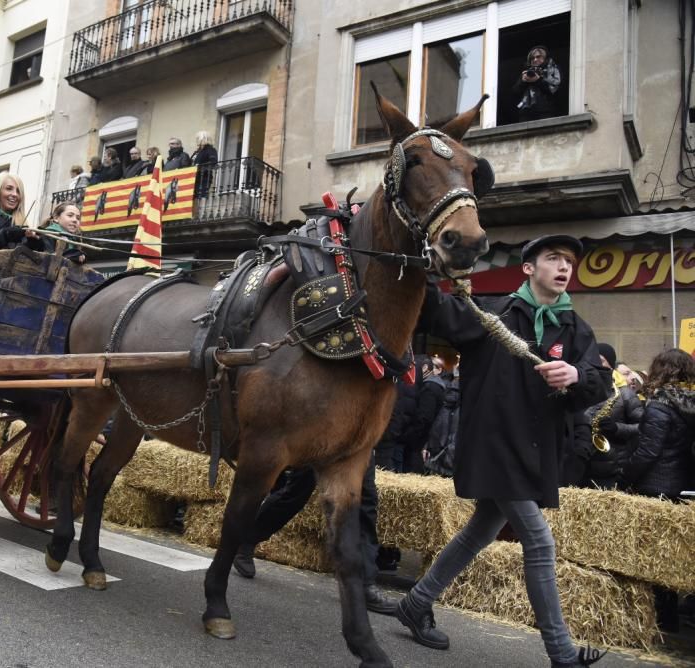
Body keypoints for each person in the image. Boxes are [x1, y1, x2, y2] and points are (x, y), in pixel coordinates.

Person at [395, 234, 611, 668]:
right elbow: (432, 309)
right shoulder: (492, 312)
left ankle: (417, 602)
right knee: (538, 541)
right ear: (529, 268)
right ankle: (561, 652)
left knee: (481, 531)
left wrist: (574, 374)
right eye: (553, 258)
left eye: (569, 261)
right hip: (494, 447)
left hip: (534, 452)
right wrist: (423, 261)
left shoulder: (574, 328)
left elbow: (598, 381)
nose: (564, 267)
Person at [231, 455, 397, 615]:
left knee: (364, 499)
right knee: (296, 493)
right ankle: (246, 539)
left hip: (359, 434)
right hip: (322, 432)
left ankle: (363, 584)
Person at [621, 348, 695, 633]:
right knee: (669, 556)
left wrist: (626, 476)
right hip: (679, 485)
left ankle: (657, 619)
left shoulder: (659, 405)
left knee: (650, 556)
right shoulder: (688, 404)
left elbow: (648, 451)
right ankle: (670, 617)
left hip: (654, 486)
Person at [564, 343, 644, 489]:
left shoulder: (626, 395)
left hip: (612, 471)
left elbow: (643, 428)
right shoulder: (576, 393)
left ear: (611, 367)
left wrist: (617, 428)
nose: (594, 365)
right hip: (580, 470)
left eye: (600, 361)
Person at [401, 355, 447, 473]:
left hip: (418, 442)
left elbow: (424, 418)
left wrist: (408, 436)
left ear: (425, 368)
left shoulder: (430, 387)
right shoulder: (435, 385)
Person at [514, 46, 562, 123]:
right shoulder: (527, 72)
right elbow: (515, 93)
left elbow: (556, 91)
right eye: (532, 58)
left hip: (545, 112)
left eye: (538, 57)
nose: (535, 60)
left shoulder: (553, 70)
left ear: (545, 58)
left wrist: (538, 80)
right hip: (526, 113)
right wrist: (523, 81)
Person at [190, 130, 218, 197]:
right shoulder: (197, 151)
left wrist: (199, 166)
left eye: (198, 138)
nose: (197, 140)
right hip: (193, 178)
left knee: (200, 197)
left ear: (203, 139)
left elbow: (213, 162)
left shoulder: (210, 150)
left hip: (204, 178)